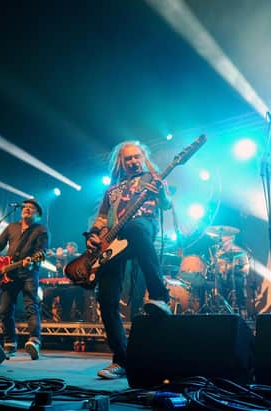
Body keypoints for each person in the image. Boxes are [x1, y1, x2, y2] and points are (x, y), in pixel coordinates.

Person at [86, 141, 172, 380]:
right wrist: (93, 235)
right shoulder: (112, 189)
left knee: (135, 226)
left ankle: (159, 295)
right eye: (128, 159)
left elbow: (166, 204)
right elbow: (103, 217)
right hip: (113, 241)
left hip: (141, 228)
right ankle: (121, 360)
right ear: (121, 163)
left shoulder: (153, 178)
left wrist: (162, 193)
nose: (133, 162)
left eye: (136, 157)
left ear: (143, 158)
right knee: (107, 298)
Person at [0, 198, 48, 360]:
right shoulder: (12, 227)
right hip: (9, 274)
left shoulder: (41, 230)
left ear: (38, 215)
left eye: (31, 208)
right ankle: (10, 343)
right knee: (5, 310)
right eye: (25, 207)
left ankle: (34, 341)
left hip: (29, 273)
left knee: (31, 306)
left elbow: (41, 252)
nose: (27, 209)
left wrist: (30, 262)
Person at [215, 233, 250, 318]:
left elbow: (246, 267)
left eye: (224, 237)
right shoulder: (219, 252)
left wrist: (237, 270)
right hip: (223, 278)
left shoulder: (239, 251)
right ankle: (222, 309)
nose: (222, 240)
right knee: (216, 280)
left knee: (236, 279)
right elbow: (217, 268)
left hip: (236, 278)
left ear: (231, 238)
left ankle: (241, 311)